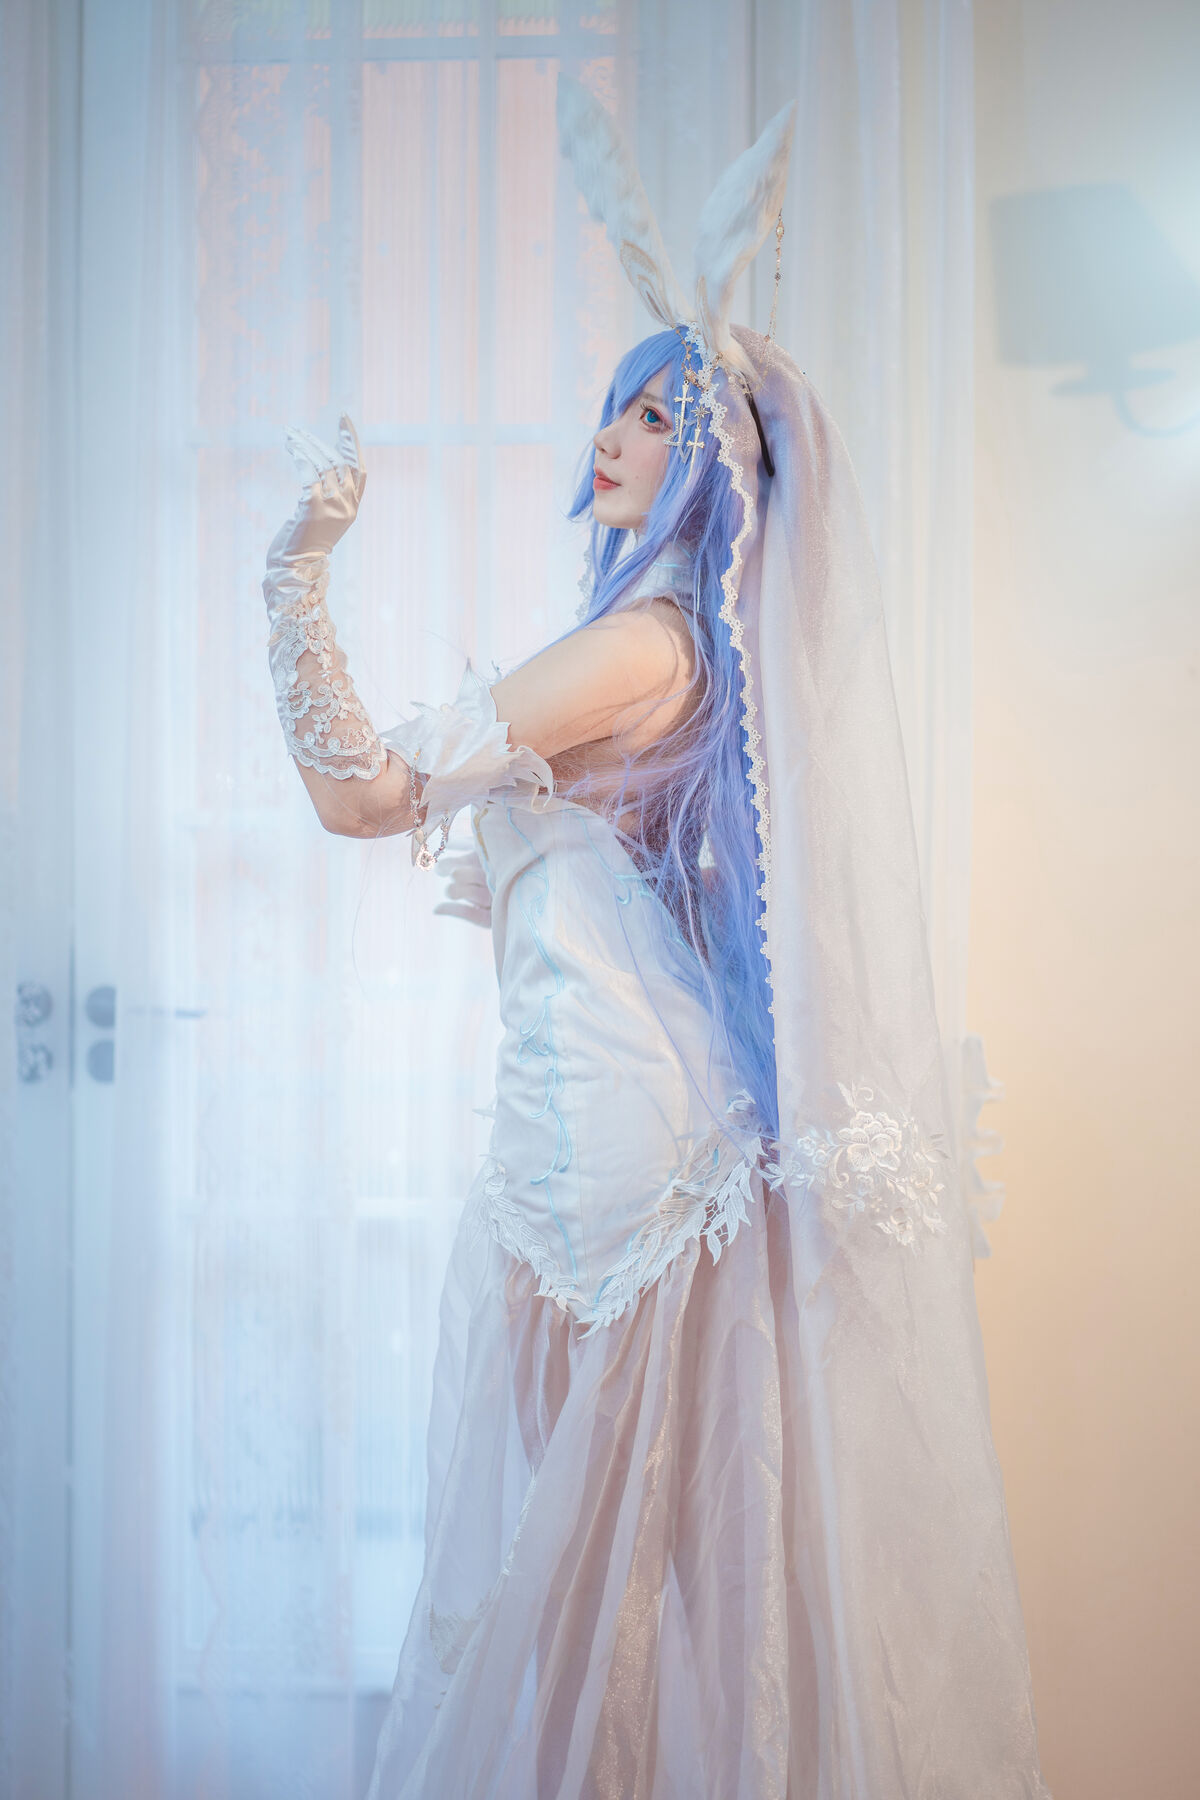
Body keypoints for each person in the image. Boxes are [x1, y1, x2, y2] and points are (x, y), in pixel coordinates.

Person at [260, 78, 1050, 1800]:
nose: (612, 435)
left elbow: (365, 795)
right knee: (588, 1572)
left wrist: (293, 573)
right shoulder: (656, 638)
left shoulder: (645, 645)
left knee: (582, 1574)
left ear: (717, 459)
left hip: (619, 1147)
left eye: (656, 412)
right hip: (598, 1122)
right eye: (616, 405)